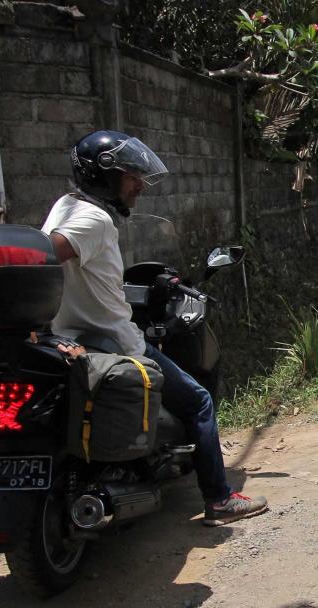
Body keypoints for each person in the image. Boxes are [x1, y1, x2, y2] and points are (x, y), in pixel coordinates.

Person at [42, 129, 268, 527]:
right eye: (132, 177)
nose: (140, 186)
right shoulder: (93, 220)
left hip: (67, 339)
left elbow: (80, 273)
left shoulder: (64, 205)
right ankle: (219, 498)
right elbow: (49, 253)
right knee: (199, 400)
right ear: (107, 177)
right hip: (115, 341)